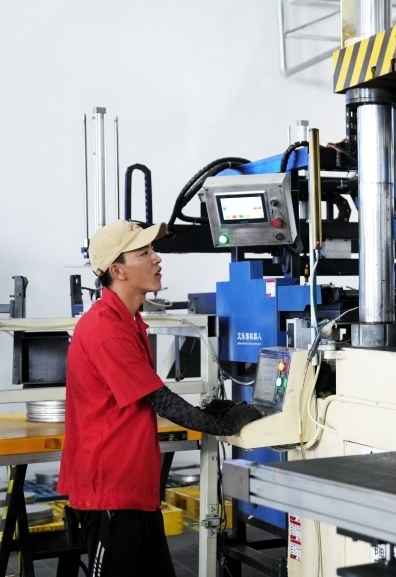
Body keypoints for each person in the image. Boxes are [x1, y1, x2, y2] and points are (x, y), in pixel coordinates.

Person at [58, 220, 260, 577]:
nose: (157, 258)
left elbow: (143, 396)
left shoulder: (129, 321)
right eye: (144, 252)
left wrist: (212, 412)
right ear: (117, 270)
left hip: (135, 489)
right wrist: (222, 424)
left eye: (152, 249)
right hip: (110, 492)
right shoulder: (105, 328)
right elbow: (159, 400)